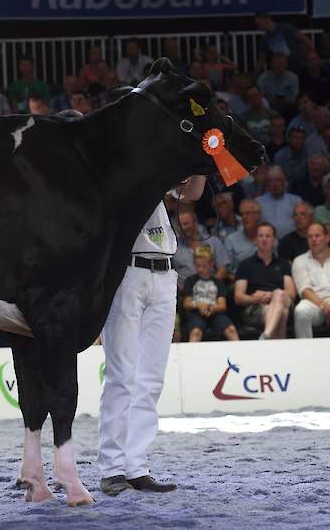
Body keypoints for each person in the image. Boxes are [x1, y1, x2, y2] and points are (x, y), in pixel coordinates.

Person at [98, 176, 205, 496]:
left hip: (165, 272)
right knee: (121, 374)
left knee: (151, 377)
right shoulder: (117, 161)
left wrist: (201, 154)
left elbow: (193, 193)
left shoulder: (158, 164)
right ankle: (112, 468)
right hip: (126, 272)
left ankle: (136, 465)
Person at [235, 223, 296, 339]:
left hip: (283, 300)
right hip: (256, 306)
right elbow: (238, 297)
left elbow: (291, 293)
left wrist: (270, 295)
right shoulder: (245, 264)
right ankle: (274, 346)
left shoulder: (283, 264)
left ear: (274, 240)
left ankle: (267, 333)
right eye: (260, 236)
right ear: (256, 240)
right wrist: (254, 298)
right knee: (282, 313)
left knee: (279, 293)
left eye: (267, 236)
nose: (264, 239)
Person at [181, 253, 237, 342]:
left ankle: (239, 353)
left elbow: (222, 305)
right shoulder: (190, 281)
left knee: (231, 330)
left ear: (211, 265)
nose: (200, 269)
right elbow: (186, 303)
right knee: (196, 332)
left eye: (204, 266)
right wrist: (198, 305)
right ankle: (192, 355)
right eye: (198, 265)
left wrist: (211, 308)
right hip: (196, 313)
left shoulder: (218, 282)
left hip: (216, 312)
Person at [255, 167, 302, 238]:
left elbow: (302, 223)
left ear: (285, 183)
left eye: (278, 180)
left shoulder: (296, 201)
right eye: (271, 181)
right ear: (266, 184)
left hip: (292, 242)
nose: (275, 184)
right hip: (266, 242)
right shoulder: (258, 202)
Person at [224, 199, 263, 273]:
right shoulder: (231, 240)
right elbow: (227, 271)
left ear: (258, 215)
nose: (244, 217)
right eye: (242, 214)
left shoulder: (267, 236)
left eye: (248, 213)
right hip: (239, 281)